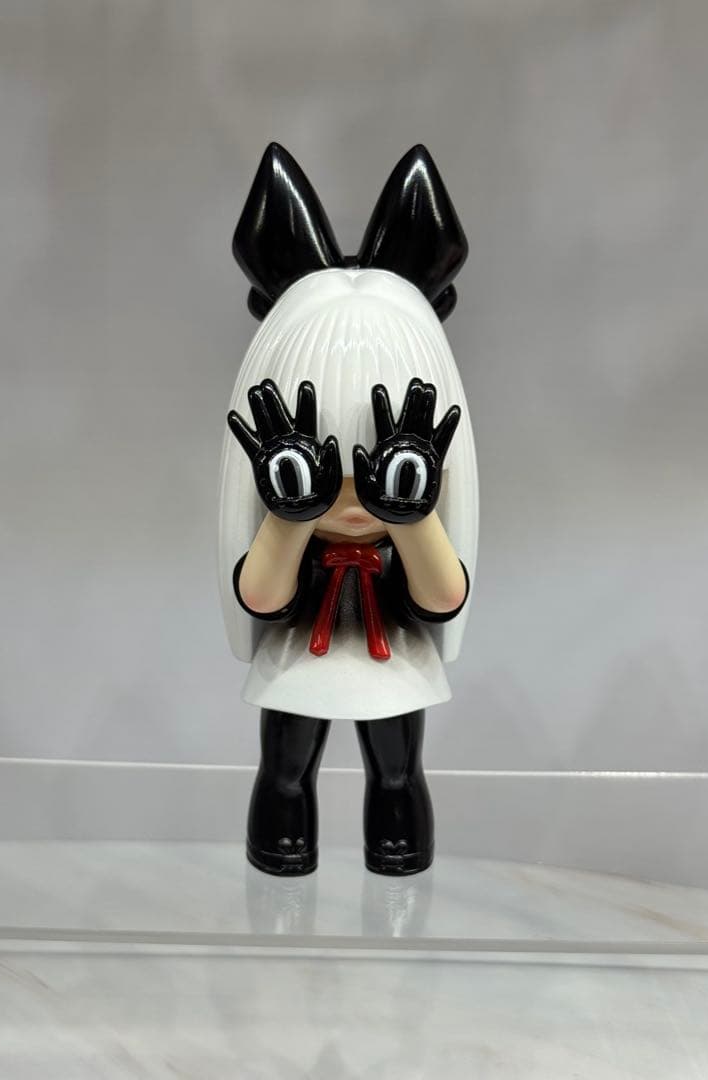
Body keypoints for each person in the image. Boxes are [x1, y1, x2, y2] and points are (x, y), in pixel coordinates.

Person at [218, 144, 479, 875]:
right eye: (326, 473)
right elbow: (261, 596)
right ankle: (281, 851)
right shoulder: (293, 526)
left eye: (379, 470)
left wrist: (413, 517)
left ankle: (398, 855)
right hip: (302, 652)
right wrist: (290, 515)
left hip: (390, 652)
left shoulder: (408, 527)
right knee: (285, 768)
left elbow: (443, 596)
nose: (353, 500)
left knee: (397, 770)